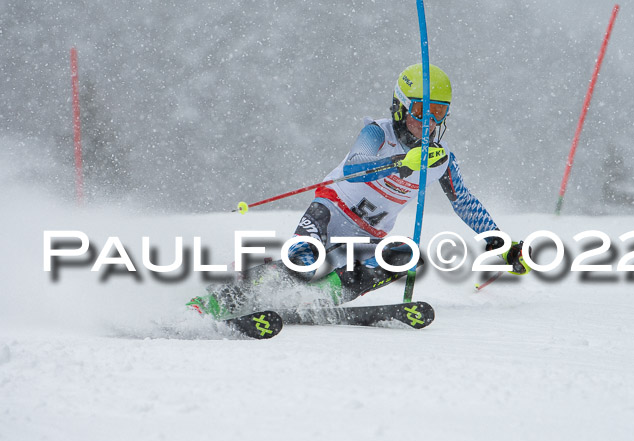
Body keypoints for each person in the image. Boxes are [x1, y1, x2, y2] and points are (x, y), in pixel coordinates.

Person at [188, 64, 530, 318]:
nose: (428, 122)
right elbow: (354, 166)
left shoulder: (441, 160)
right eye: (419, 111)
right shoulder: (378, 133)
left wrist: (502, 244)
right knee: (304, 266)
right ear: (399, 106)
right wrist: (401, 162)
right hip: (328, 214)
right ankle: (217, 301)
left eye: (437, 112)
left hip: (366, 237)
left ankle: (321, 298)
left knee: (405, 255)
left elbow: (465, 202)